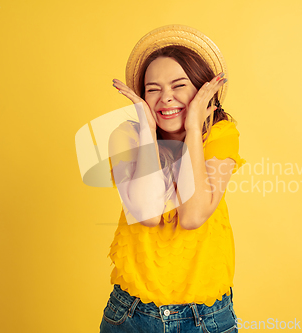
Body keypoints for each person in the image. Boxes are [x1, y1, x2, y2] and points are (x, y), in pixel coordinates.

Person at [100, 25, 245, 333]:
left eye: (179, 85)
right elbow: (149, 214)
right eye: (152, 89)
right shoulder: (126, 136)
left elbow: (193, 217)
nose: (166, 98)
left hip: (206, 318)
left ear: (202, 90)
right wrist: (146, 131)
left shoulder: (219, 135)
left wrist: (193, 129)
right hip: (131, 314)